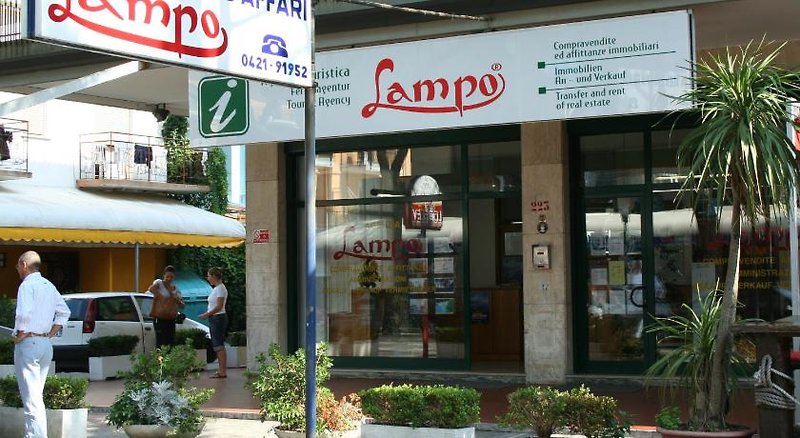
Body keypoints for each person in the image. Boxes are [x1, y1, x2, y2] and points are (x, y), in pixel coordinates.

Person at [13, 251, 70, 438]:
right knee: (36, 397)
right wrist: (49, 333)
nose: (17, 270)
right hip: (45, 344)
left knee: (32, 400)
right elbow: (64, 312)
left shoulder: (27, 285)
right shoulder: (49, 285)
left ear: (24, 265)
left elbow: (24, 314)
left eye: (17, 266)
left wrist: (21, 332)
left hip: (29, 343)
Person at [199, 267, 228, 378]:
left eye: (209, 276)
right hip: (215, 317)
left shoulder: (220, 288)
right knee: (217, 344)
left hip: (218, 318)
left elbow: (219, 306)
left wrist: (207, 314)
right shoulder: (216, 288)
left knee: (218, 344)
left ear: (214, 276)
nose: (208, 278)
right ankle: (221, 370)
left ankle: (222, 371)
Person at [148, 265, 184, 348]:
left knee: (170, 343)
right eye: (167, 276)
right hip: (160, 318)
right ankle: (160, 361)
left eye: (171, 277)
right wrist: (162, 298)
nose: (169, 278)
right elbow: (151, 289)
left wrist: (176, 299)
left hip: (171, 318)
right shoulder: (159, 283)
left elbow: (182, 305)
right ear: (164, 275)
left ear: (174, 277)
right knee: (161, 343)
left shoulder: (175, 288)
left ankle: (169, 360)